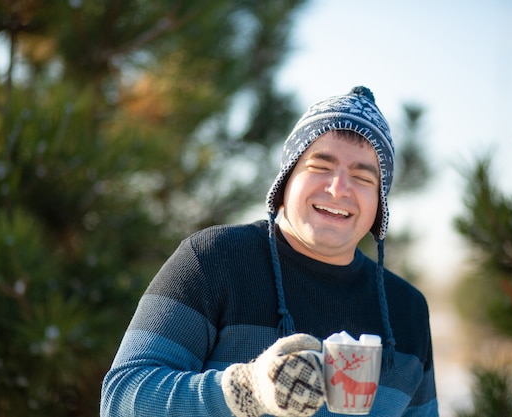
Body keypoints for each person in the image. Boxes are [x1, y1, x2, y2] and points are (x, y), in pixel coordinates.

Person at [100, 86, 439, 416]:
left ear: (378, 205)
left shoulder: (406, 310)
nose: (339, 189)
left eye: (363, 178)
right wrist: (249, 390)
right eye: (320, 167)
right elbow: (122, 399)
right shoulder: (215, 259)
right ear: (285, 181)